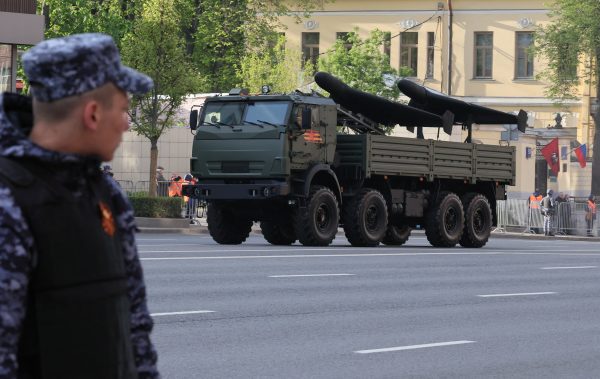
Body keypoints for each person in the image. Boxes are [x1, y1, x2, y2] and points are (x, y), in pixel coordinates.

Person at [0, 33, 159, 378]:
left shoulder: (106, 194)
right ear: (92, 114)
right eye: (123, 109)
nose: (126, 123)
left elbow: (135, 329)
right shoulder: (8, 200)